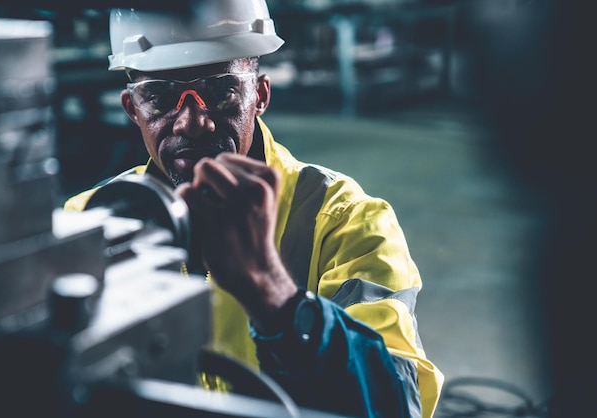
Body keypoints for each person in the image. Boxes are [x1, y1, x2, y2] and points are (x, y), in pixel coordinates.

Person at [64, 3, 444, 417]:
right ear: (133, 109)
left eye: (220, 92)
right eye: (160, 97)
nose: (193, 123)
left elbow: (398, 403)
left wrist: (277, 298)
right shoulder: (89, 220)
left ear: (259, 95)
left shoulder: (345, 220)